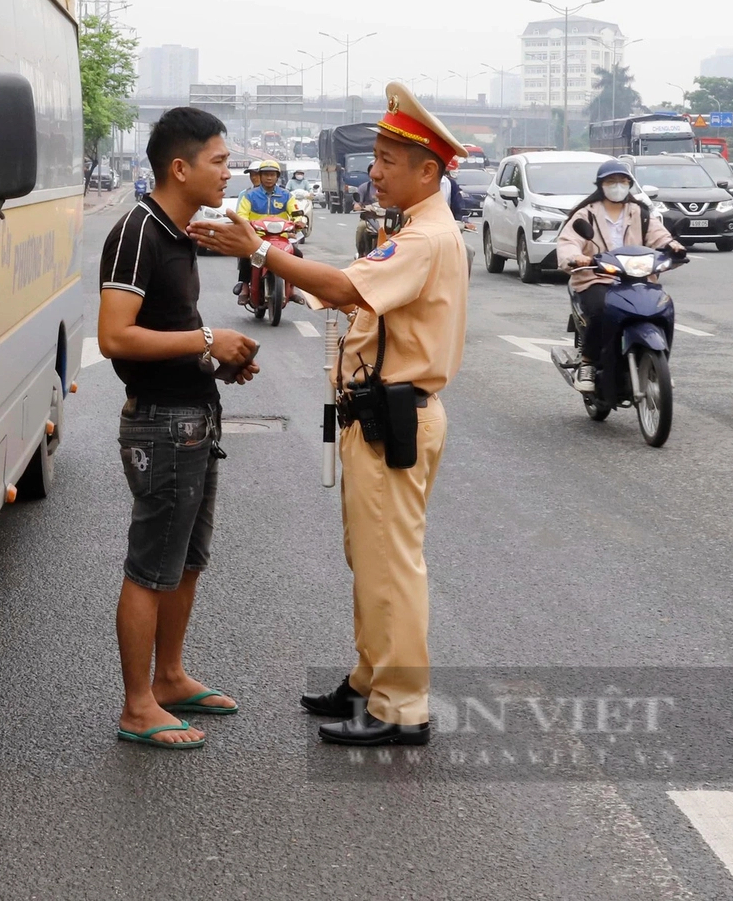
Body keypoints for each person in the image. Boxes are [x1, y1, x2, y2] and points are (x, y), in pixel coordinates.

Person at [191, 81, 468, 748]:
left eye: (388, 160)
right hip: (378, 416)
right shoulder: (413, 231)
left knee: (390, 563)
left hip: (393, 416)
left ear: (428, 171)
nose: (373, 170)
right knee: (369, 557)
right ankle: (370, 678)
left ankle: (401, 706)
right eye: (374, 156)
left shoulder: (425, 238)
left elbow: (347, 288)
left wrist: (258, 251)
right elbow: (352, 288)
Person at [98, 107, 261, 750]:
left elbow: (164, 333)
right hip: (161, 427)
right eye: (219, 161)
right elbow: (116, 337)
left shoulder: (176, 232)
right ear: (180, 167)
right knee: (150, 566)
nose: (229, 172)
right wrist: (209, 339)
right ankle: (137, 705)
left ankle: (169, 678)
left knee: (186, 561)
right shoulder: (138, 232)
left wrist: (212, 363)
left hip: (193, 417)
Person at [553, 160, 682, 395]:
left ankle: (659, 366)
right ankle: (588, 363)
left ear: (630, 185)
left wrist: (673, 246)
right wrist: (576, 258)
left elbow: (658, 235)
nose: (617, 186)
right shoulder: (586, 214)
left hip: (637, 278)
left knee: (662, 307)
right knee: (601, 309)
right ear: (601, 185)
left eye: (623, 182)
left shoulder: (639, 213)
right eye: (611, 182)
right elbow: (569, 242)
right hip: (596, 277)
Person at [233, 160, 293, 296]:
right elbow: (242, 214)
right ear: (260, 176)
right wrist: (245, 224)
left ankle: (292, 288)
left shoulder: (286, 195)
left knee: (297, 255)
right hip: (257, 237)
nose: (269, 178)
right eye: (266, 174)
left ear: (278, 176)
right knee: (246, 256)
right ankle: (245, 286)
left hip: (281, 238)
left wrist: (299, 222)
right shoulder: (249, 195)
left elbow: (295, 212)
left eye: (272, 174)